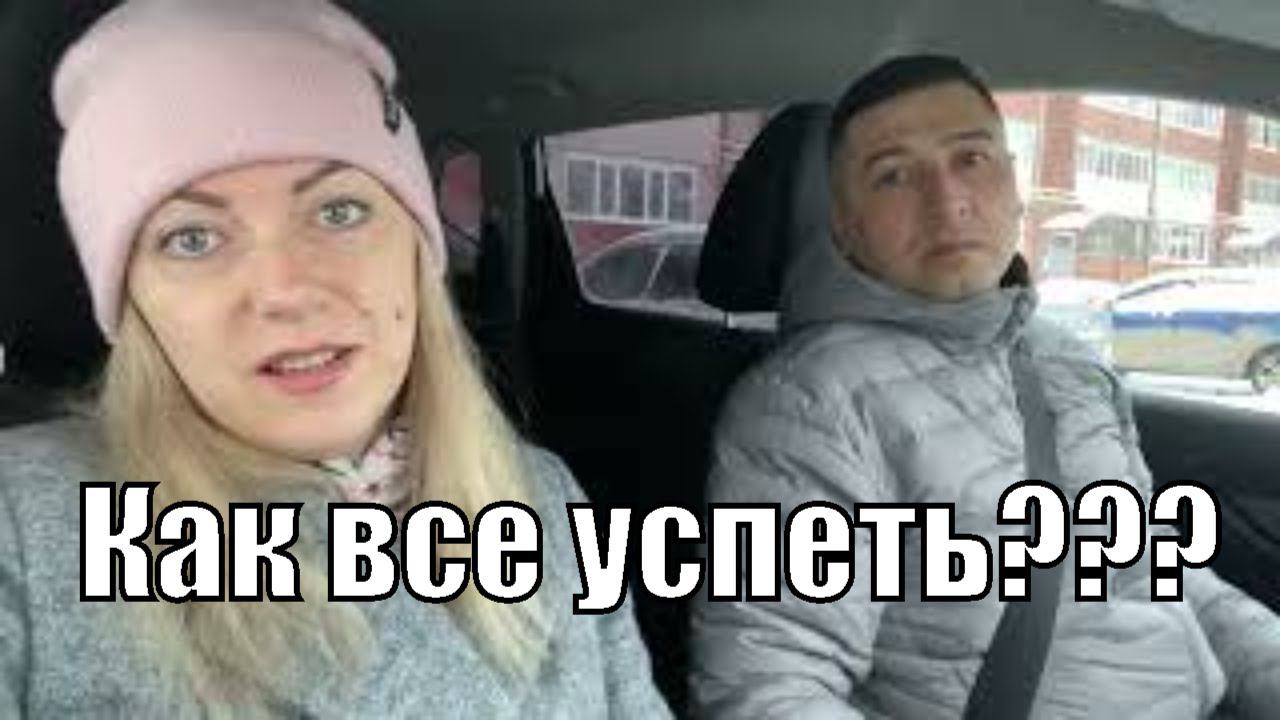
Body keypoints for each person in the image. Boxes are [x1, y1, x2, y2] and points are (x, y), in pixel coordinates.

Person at [0, 0, 673, 717]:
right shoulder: (21, 522)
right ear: (135, 303)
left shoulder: (543, 495)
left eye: (338, 211)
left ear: (415, 251)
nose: (286, 290)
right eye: (193, 238)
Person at [689, 55, 1280, 719]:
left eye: (970, 159)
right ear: (846, 230)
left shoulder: (1067, 361)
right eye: (893, 175)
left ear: (1016, 187)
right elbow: (769, 687)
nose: (947, 201)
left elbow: (1156, 572)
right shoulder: (808, 402)